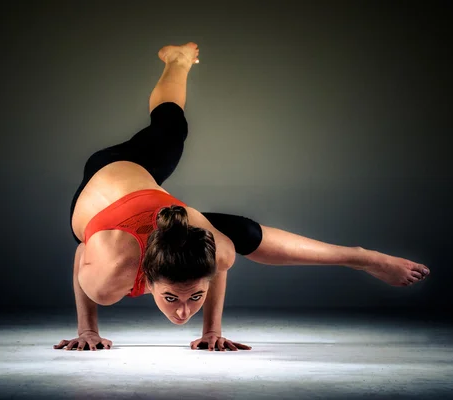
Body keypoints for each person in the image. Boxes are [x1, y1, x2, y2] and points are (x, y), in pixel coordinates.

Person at [53, 42, 431, 353]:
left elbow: (217, 266)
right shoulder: (109, 273)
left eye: (194, 297)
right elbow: (80, 253)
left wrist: (211, 331)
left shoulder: (217, 251)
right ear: (148, 280)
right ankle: (178, 60)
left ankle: (362, 258)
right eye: (172, 298)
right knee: (232, 212)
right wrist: (88, 331)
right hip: (104, 183)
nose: (184, 312)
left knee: (232, 217)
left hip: (144, 184)